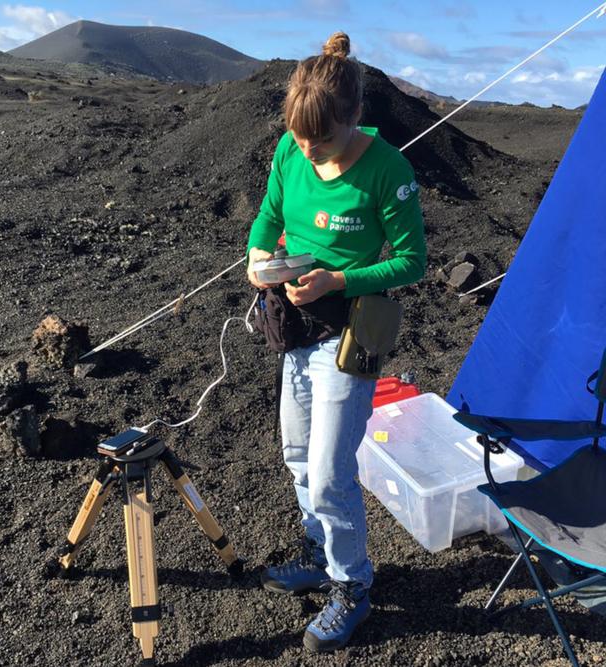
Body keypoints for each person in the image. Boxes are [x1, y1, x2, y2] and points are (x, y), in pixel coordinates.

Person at [246, 31, 426, 653]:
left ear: (354, 118)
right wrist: (258, 253)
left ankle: (353, 586)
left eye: (318, 142)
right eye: (298, 138)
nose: (307, 151)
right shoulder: (291, 151)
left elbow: (411, 262)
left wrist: (339, 278)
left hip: (348, 330)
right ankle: (320, 553)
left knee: (327, 473)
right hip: (294, 322)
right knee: (297, 454)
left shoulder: (388, 170)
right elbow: (270, 214)